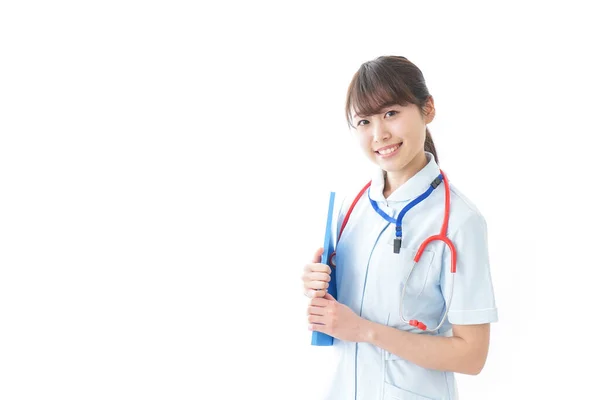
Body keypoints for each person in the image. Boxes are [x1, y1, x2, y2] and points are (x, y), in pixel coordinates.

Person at [301, 55, 498, 400]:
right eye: (364, 121)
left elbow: (472, 355)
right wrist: (319, 284)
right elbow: (346, 313)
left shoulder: (460, 221)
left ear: (428, 109)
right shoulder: (352, 207)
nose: (379, 134)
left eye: (391, 113)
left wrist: (365, 331)